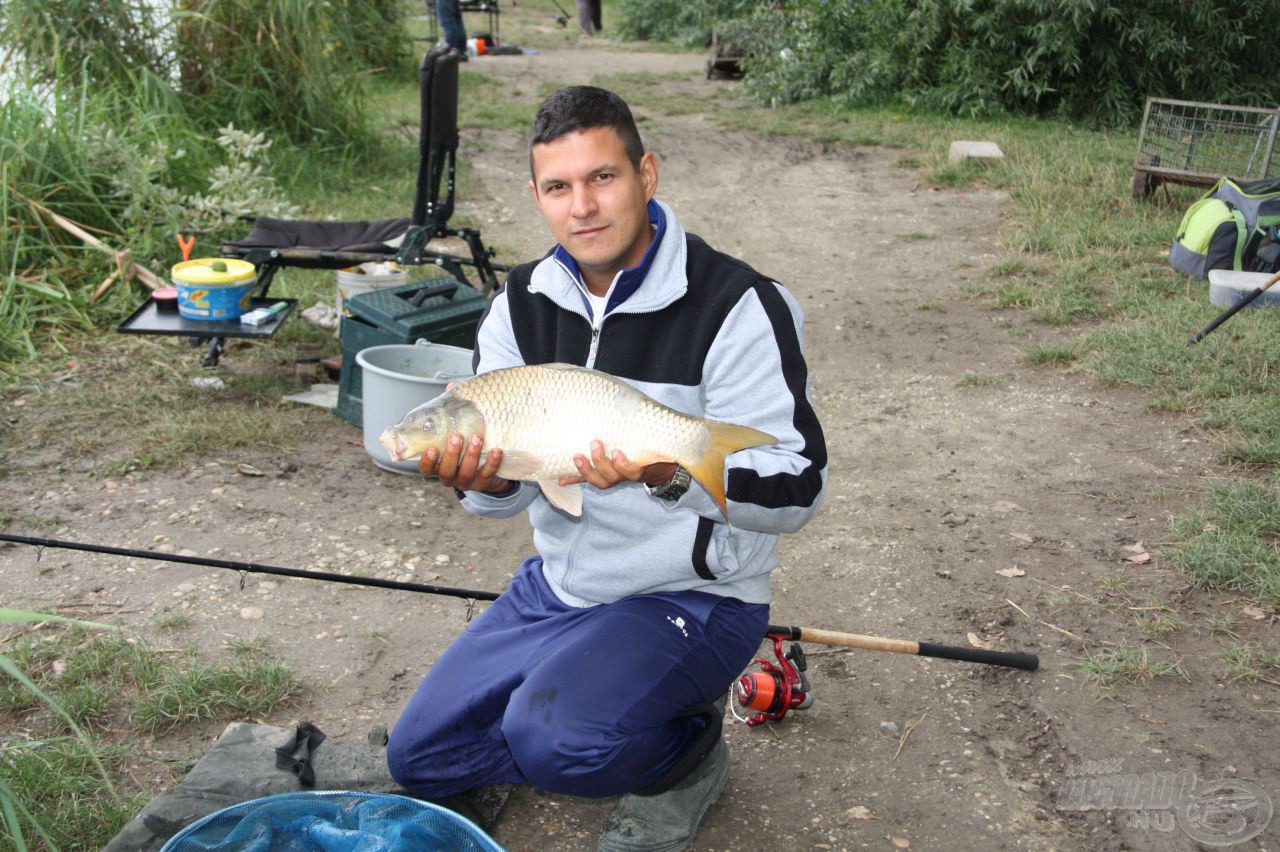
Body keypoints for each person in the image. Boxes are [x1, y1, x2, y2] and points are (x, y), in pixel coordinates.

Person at [386, 86, 827, 851]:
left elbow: (799, 486)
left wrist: (668, 473)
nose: (581, 206)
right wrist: (482, 479)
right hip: (562, 586)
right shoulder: (518, 305)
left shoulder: (739, 305)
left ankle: (686, 752)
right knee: (418, 759)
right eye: (558, 187)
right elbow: (509, 492)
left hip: (697, 597)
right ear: (537, 196)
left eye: (603, 178)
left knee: (557, 743)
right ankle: (572, 716)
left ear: (646, 174)